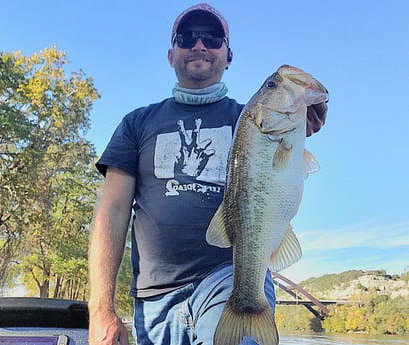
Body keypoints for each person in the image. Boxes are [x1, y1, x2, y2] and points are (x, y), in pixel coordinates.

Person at [88, 3, 327, 345]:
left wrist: (306, 120)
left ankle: (248, 304)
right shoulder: (135, 123)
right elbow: (110, 212)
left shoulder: (251, 119)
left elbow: (285, 166)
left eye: (212, 38)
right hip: (152, 302)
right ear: (171, 54)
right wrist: (101, 311)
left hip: (228, 277)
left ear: (228, 55)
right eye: (187, 38)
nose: (199, 45)